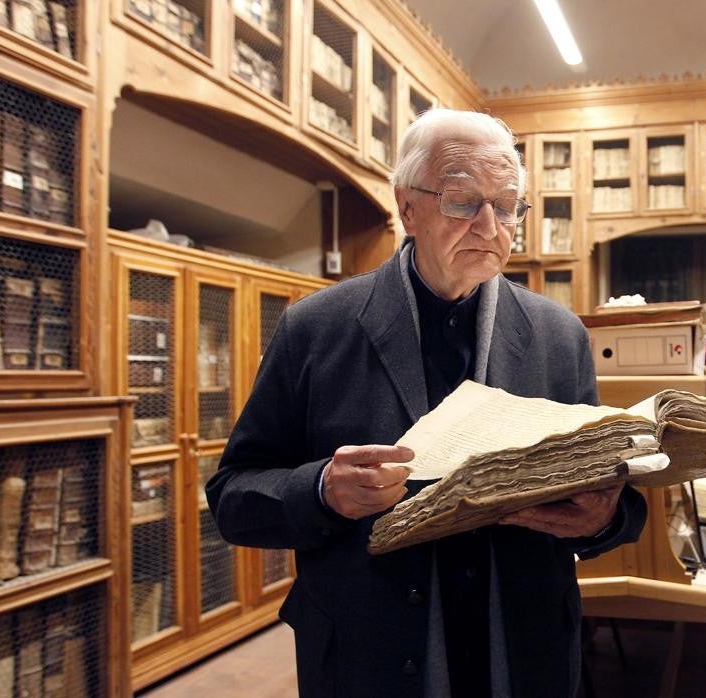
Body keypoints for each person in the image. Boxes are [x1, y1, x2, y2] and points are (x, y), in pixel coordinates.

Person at [206, 108, 647, 698]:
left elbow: (607, 488)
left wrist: (605, 518)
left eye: (509, 204)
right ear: (406, 207)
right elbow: (234, 495)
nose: (491, 226)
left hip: (522, 649)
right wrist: (322, 491)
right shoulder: (315, 328)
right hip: (371, 657)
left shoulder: (559, 335)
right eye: (463, 201)